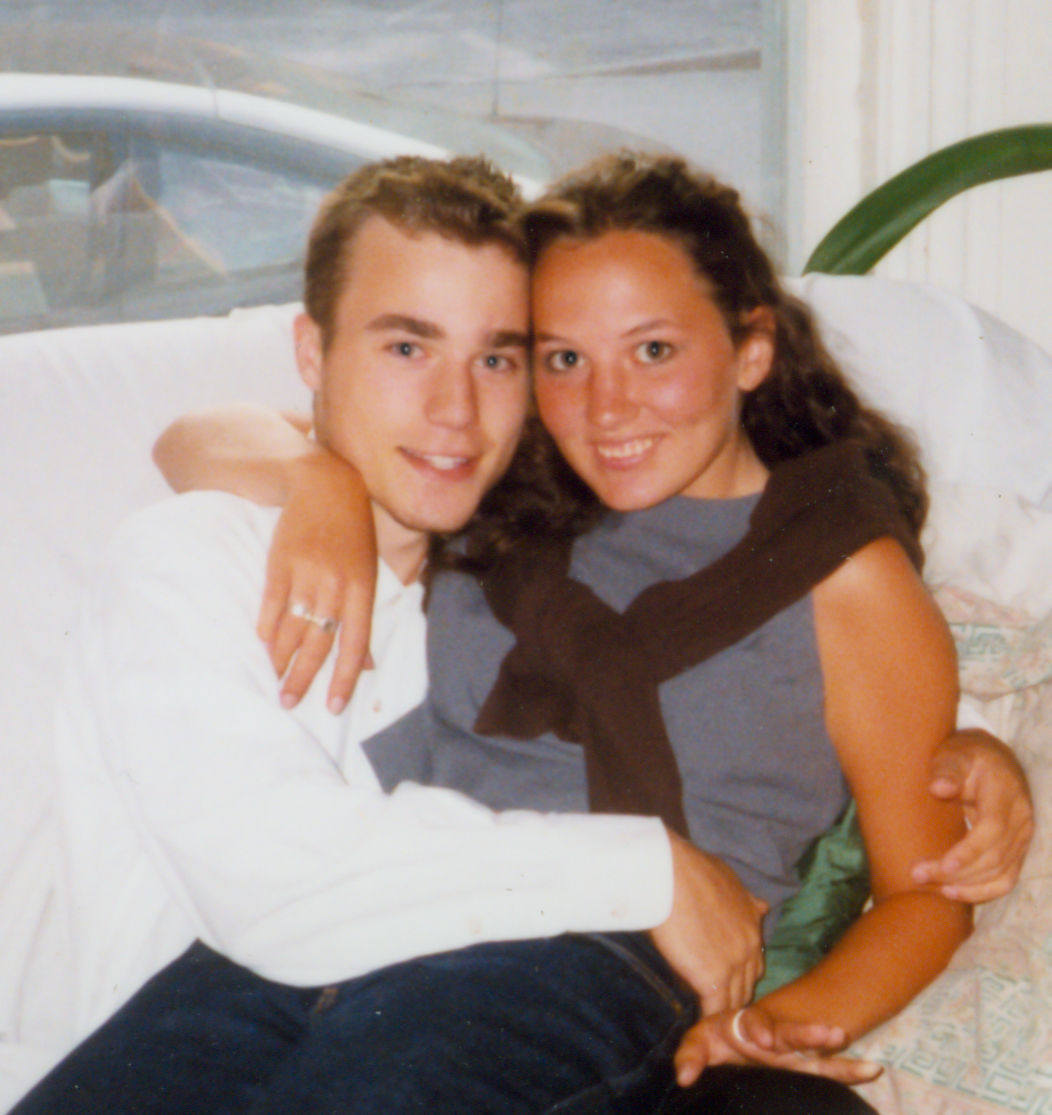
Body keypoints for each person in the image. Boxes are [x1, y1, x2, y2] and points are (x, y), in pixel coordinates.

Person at [15, 154, 1031, 1115]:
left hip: (595, 947)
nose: (607, 405)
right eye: (563, 359)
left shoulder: (844, 573)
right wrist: (314, 483)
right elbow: (201, 434)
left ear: (751, 347)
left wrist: (776, 1020)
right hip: (366, 913)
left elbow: (926, 891)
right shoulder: (506, 498)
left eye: (653, 350)